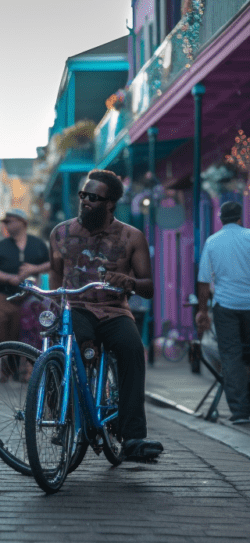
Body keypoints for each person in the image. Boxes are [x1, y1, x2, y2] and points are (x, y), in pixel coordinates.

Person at [48, 169, 163, 460]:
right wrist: (53, 306)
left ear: (110, 202)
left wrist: (130, 283)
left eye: (93, 197)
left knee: (133, 349)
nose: (85, 201)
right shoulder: (60, 233)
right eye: (82, 195)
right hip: (77, 308)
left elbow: (148, 287)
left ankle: (133, 438)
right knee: (67, 350)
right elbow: (55, 276)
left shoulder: (131, 236)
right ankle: (64, 417)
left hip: (115, 312)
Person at [196, 201, 250, 424]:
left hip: (225, 307)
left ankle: (239, 411)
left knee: (231, 356)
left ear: (220, 219)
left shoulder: (212, 242)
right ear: (240, 217)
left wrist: (202, 311)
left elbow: (204, 281)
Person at [0, 208, 49, 344]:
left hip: (29, 300)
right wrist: (8, 278)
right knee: (3, 343)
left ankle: (23, 365)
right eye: (5, 222)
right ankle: (6, 365)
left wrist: (34, 269)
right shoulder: (0, 246)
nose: (6, 225)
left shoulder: (37, 244)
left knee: (25, 342)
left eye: (10, 221)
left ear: (23, 222)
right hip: (3, 299)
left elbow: (52, 263)